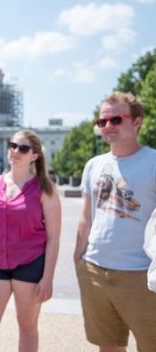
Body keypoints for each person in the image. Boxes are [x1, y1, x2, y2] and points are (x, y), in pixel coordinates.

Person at [74, 92, 156, 351]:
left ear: (137, 122)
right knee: (108, 345)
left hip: (140, 273)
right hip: (95, 269)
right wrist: (79, 258)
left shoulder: (152, 162)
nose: (108, 126)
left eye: (116, 119)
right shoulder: (93, 165)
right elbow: (86, 216)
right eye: (102, 121)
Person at [0, 130, 60, 352]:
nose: (15, 151)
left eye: (23, 148)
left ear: (35, 156)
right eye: (12, 145)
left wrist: (48, 277)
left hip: (30, 264)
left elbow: (54, 237)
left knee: (27, 327)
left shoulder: (45, 189)